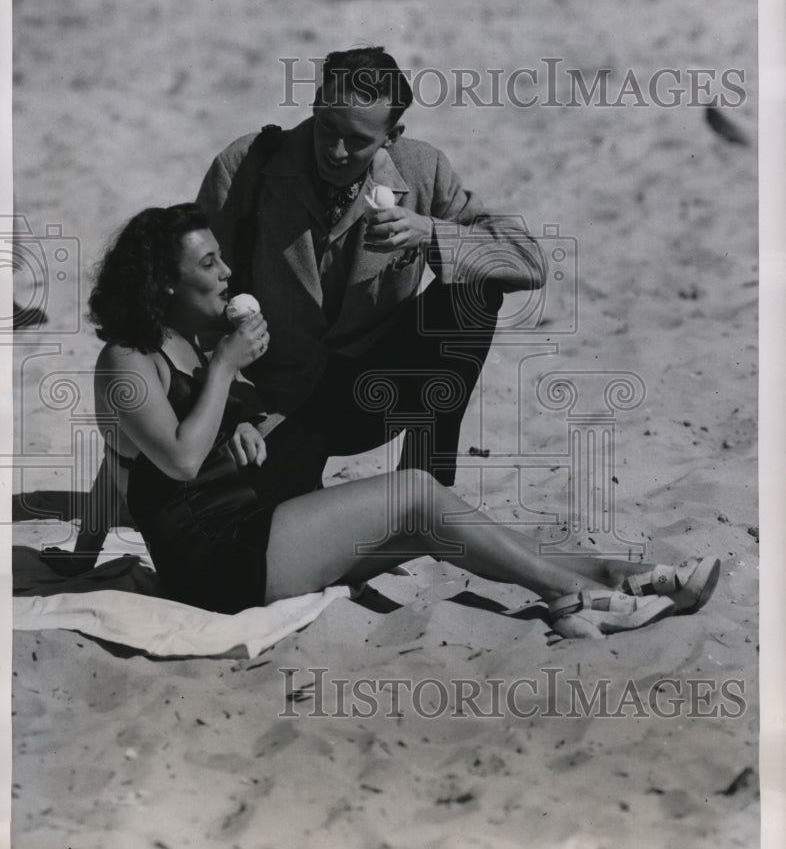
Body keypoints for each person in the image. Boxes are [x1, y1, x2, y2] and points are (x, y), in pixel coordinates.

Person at [84, 202, 719, 636]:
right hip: (214, 561)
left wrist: (240, 414)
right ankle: (576, 597)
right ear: (163, 284)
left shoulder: (196, 343)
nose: (226, 274)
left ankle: (617, 575)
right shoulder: (126, 361)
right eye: (208, 265)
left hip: (253, 527)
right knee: (416, 492)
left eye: (222, 259)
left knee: (434, 527)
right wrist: (224, 370)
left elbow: (213, 434)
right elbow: (180, 460)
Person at [196, 46, 546, 489]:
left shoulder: (423, 168)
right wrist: (236, 413)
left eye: (359, 140)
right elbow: (195, 301)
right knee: (282, 527)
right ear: (317, 102)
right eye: (327, 127)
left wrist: (432, 233)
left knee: (473, 293)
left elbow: (528, 261)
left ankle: (424, 489)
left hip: (371, 395)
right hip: (274, 403)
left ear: (391, 136)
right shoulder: (246, 165)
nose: (336, 151)